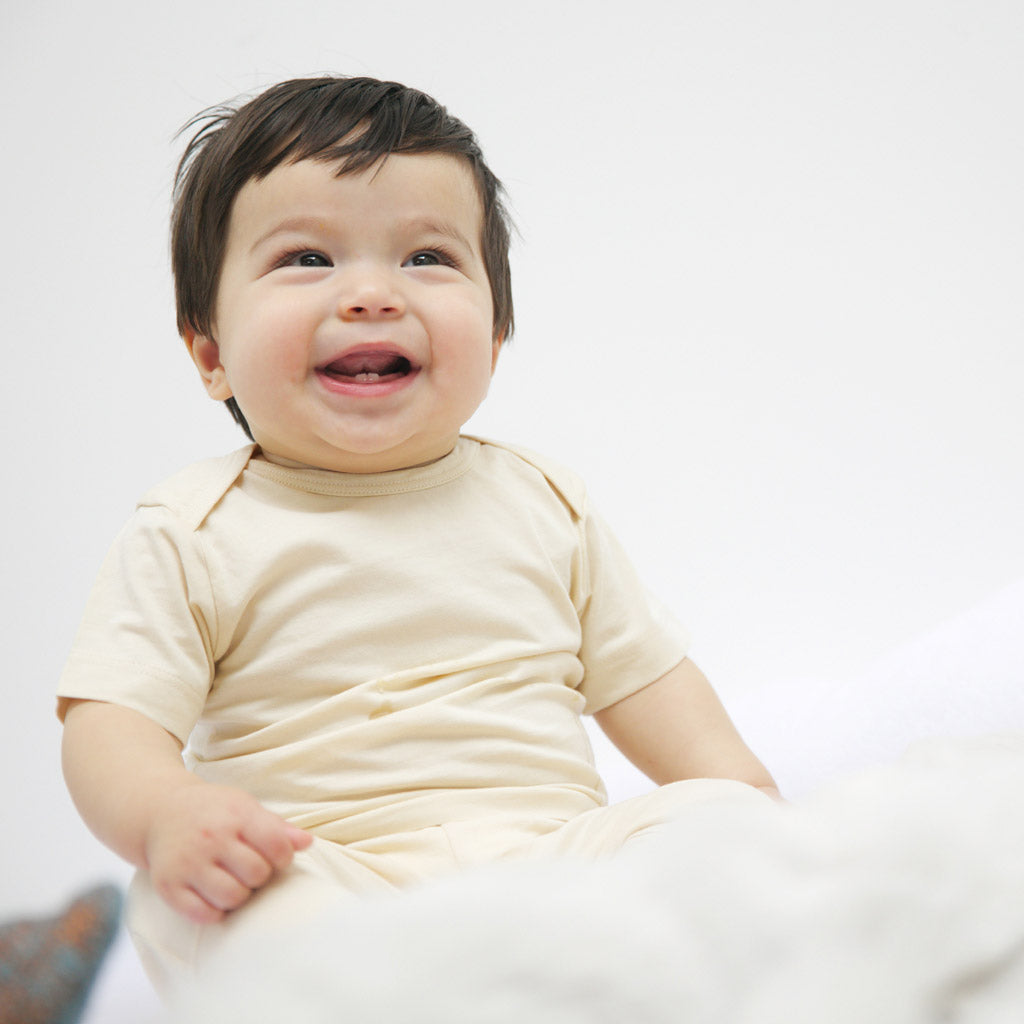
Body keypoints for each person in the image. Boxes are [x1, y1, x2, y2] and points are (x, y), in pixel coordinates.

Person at [58, 75, 778, 996]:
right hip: (329, 872)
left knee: (712, 827)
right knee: (201, 904)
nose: (370, 294)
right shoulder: (194, 531)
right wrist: (169, 817)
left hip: (561, 867)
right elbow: (110, 721)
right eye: (308, 259)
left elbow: (653, 679)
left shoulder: (544, 503)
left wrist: (745, 803)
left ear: (498, 328)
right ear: (209, 352)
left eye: (427, 257)